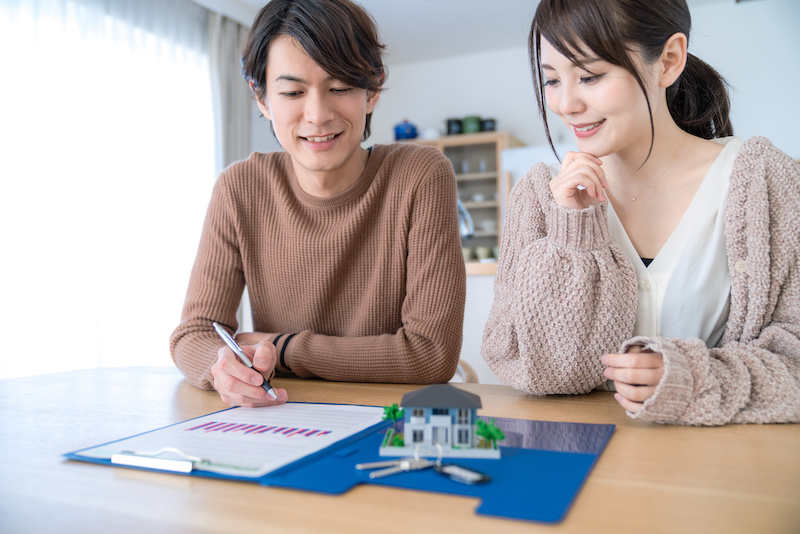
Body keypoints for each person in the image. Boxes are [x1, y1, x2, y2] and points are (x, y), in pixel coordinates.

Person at [482, 0, 800, 425]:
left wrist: (690, 379)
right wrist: (571, 235)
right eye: (552, 80)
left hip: (723, 471)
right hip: (580, 466)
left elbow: (793, 359)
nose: (565, 104)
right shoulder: (541, 198)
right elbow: (537, 371)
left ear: (668, 61)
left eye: (590, 76)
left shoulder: (764, 182)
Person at [170, 0, 466, 407]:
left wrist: (284, 348)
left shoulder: (420, 175)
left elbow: (431, 355)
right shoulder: (239, 188)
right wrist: (222, 364)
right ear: (262, 99)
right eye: (292, 92)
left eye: (340, 88)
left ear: (373, 89)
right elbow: (194, 334)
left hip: (389, 421)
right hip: (284, 414)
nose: (317, 114)